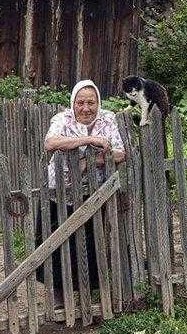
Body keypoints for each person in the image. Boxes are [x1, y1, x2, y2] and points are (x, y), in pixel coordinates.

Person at [39, 80, 126, 309]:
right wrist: (88, 140)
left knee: (88, 243)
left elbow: (120, 153)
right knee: (57, 243)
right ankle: (58, 297)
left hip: (93, 193)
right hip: (59, 191)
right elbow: (50, 143)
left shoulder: (108, 119)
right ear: (73, 103)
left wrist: (91, 162)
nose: (86, 108)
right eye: (80, 103)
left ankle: (86, 295)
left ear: (98, 102)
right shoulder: (62, 119)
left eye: (91, 102)